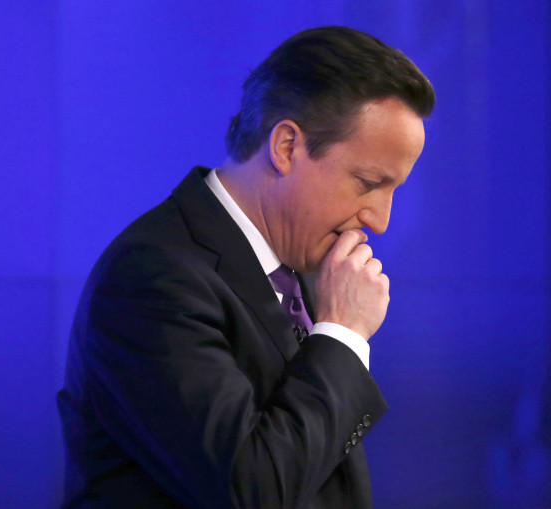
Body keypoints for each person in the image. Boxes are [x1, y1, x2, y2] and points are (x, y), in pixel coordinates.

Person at [58, 26, 435, 508]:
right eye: (366, 183)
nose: (380, 221)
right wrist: (342, 334)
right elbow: (250, 489)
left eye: (393, 190)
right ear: (285, 147)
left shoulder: (303, 267)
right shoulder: (150, 277)